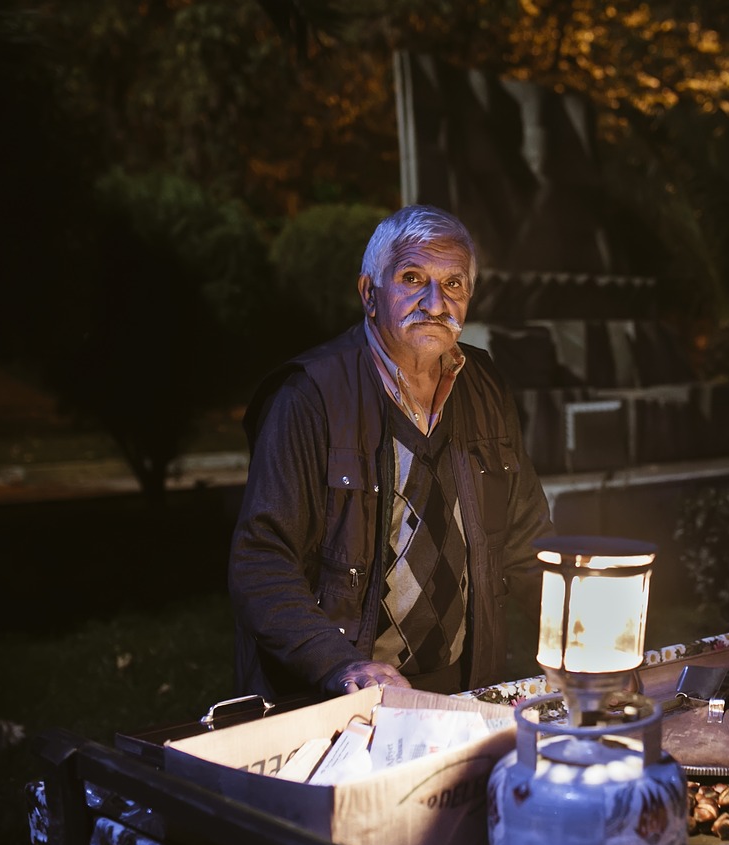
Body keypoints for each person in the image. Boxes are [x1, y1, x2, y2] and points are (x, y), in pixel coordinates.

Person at [229, 205, 553, 700]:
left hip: (464, 689)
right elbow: (262, 563)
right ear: (370, 294)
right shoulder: (309, 396)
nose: (435, 302)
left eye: (454, 284)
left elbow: (528, 544)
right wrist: (341, 666)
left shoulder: (484, 385)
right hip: (341, 699)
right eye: (412, 277)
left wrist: (578, 637)